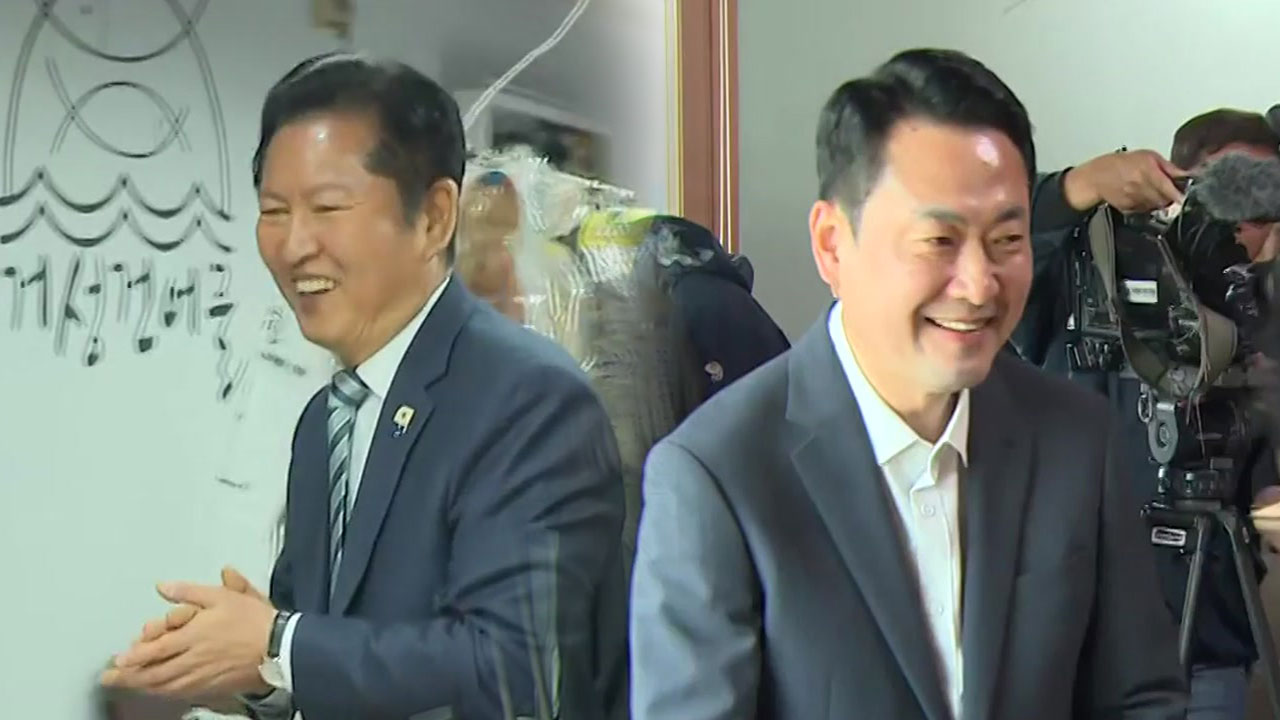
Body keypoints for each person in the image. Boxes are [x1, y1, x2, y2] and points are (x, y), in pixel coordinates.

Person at [628, 47, 1188, 720]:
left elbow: (1139, 698)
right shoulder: (716, 475)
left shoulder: (1075, 437)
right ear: (832, 244)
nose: (979, 286)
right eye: (938, 241)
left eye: (1006, 241)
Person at [100, 53, 629, 720]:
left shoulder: (529, 401)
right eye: (273, 210)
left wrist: (278, 644)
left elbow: (516, 672)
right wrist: (248, 677)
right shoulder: (326, 420)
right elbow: (331, 661)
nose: (294, 245)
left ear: (434, 217)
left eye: (328, 207)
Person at [1014, 108, 1280, 720]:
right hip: (1083, 647)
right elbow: (998, 227)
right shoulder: (1097, 269)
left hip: (1211, 641)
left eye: (1262, 205)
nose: (1242, 223)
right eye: (1229, 193)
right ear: (1178, 186)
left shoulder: (1256, 311)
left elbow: (1261, 457)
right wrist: (1083, 184)